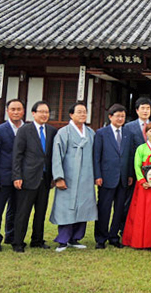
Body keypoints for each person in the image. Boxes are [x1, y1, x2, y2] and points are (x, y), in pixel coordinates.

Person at [50, 102, 98, 252]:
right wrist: (58, 177)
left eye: (84, 112)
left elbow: (96, 156)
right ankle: (63, 240)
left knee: (83, 206)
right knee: (66, 207)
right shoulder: (63, 132)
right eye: (79, 112)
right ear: (71, 115)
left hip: (86, 176)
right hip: (69, 175)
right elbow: (57, 156)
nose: (83, 115)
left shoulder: (90, 133)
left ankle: (75, 238)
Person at [11, 100, 57, 253]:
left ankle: (37, 240)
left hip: (45, 178)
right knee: (23, 212)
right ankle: (18, 242)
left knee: (41, 211)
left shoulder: (52, 131)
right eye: (41, 112)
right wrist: (17, 176)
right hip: (27, 177)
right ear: (33, 113)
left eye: (47, 112)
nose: (44, 115)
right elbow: (17, 155)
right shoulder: (25, 130)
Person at [93, 103, 133, 249]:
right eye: (118, 116)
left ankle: (114, 236)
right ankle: (101, 238)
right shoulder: (101, 133)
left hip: (123, 178)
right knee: (104, 208)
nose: (121, 119)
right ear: (110, 117)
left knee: (119, 209)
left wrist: (129, 174)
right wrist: (97, 175)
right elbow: (96, 156)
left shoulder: (128, 134)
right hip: (106, 177)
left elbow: (129, 156)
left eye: (123, 116)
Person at [0, 99, 24, 252]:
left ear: (23, 111)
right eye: (13, 109)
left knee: (16, 209)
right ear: (7, 111)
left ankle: (11, 236)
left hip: (21, 177)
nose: (16, 112)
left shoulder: (27, 129)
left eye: (19, 109)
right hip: (3, 176)